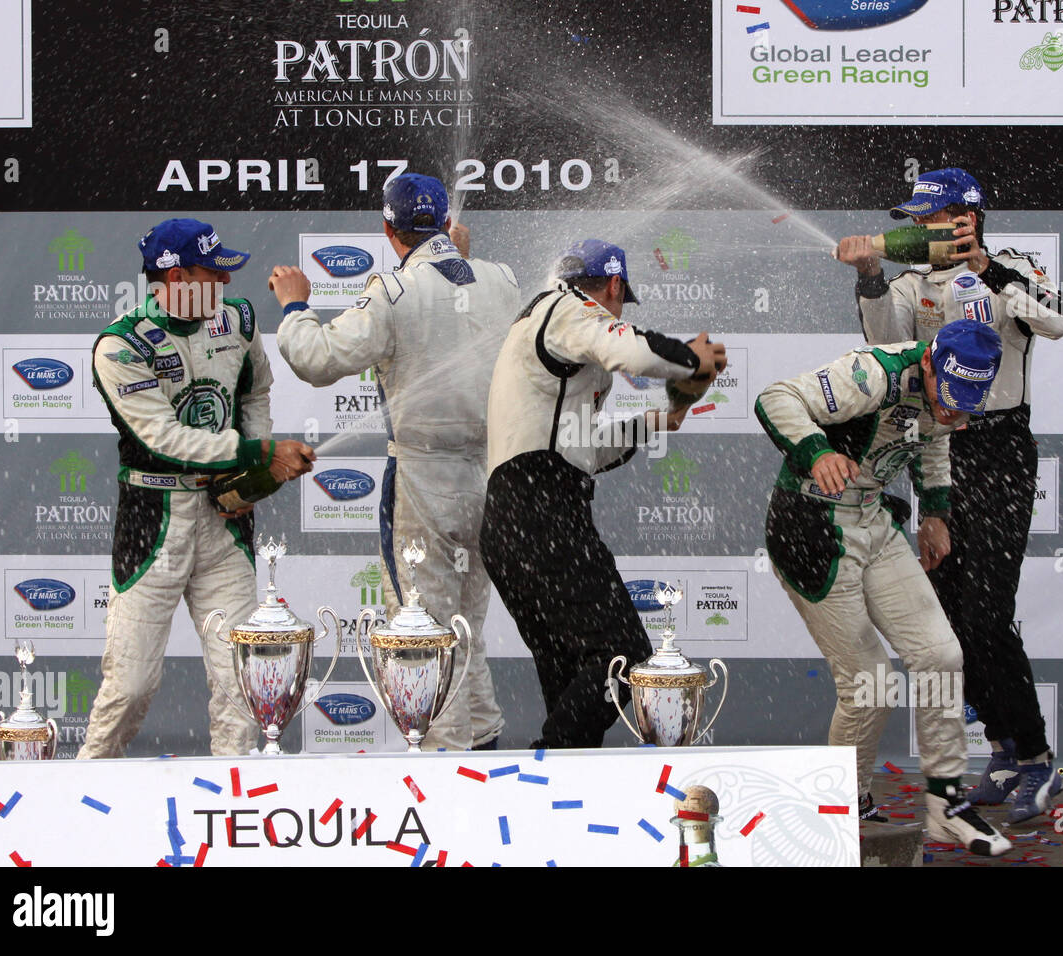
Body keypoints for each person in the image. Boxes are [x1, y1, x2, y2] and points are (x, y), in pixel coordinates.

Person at [837, 167, 1063, 823]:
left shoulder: (1014, 268)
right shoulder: (913, 282)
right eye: (915, 221)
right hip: (940, 450)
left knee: (989, 614)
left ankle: (1035, 761)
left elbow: (1057, 321)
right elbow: (887, 346)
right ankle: (1001, 752)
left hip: (1000, 449)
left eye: (930, 218)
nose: (919, 230)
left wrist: (987, 270)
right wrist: (868, 276)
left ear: (965, 217)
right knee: (951, 623)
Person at [271, 172, 519, 751]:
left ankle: (445, 767)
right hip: (491, 476)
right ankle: (482, 748)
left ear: (389, 229)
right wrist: (456, 258)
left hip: (423, 480)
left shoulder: (394, 290)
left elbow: (315, 358)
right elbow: (463, 296)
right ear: (445, 226)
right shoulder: (501, 280)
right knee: (465, 629)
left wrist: (295, 304)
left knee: (422, 634)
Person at [756, 320, 1010, 856]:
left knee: (940, 654)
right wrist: (819, 452)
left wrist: (937, 512)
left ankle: (945, 804)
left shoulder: (950, 400)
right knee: (870, 681)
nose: (954, 413)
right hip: (812, 524)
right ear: (927, 365)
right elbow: (775, 397)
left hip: (874, 518)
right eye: (950, 395)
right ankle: (837, 807)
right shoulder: (873, 374)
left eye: (968, 403)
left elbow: (935, 439)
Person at [80, 218, 316, 758]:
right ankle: (80, 789)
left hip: (224, 524)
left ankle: (234, 801)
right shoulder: (120, 346)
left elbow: (255, 391)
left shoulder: (236, 320)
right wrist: (260, 453)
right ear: (178, 276)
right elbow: (162, 438)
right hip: (154, 520)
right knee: (131, 687)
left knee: (241, 683)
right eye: (215, 272)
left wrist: (249, 481)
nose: (227, 284)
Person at [479, 239, 726, 749]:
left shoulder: (542, 330)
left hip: (512, 519)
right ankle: (545, 763)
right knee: (624, 655)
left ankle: (553, 798)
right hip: (541, 508)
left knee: (572, 673)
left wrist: (662, 418)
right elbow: (629, 349)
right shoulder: (568, 307)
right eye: (620, 300)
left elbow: (584, 449)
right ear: (613, 287)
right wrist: (690, 359)